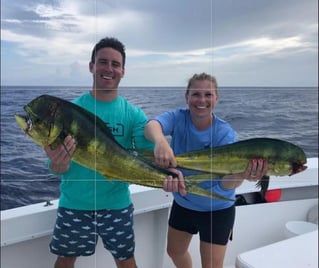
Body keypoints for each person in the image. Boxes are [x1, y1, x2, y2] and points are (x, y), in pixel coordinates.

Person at [44, 37, 183, 268]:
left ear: (123, 71)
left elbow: (150, 157)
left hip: (116, 204)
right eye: (103, 62)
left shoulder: (133, 114)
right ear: (91, 66)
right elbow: (57, 168)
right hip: (75, 203)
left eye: (115, 64)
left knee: (125, 260)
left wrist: (168, 165)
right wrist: (58, 165)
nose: (109, 69)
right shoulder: (69, 112)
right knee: (65, 259)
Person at [144, 73, 268, 268]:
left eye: (208, 95)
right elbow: (152, 125)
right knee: (174, 252)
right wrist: (160, 142)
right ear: (187, 97)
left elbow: (227, 184)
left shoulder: (224, 133)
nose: (202, 100)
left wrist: (242, 174)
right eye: (196, 94)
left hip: (216, 210)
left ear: (216, 98)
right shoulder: (178, 118)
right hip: (183, 203)